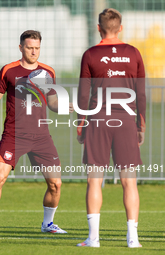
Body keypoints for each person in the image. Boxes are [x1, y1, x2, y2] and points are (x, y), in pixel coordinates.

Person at [0, 30, 73, 235]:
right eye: (30, 47)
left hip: (41, 137)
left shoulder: (48, 72)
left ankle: (48, 223)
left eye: (37, 48)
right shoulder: (9, 70)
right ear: (20, 47)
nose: (34, 51)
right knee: (0, 176)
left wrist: (63, 106)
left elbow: (53, 102)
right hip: (14, 135)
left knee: (56, 183)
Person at [76, 8, 146, 248]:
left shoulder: (90, 54)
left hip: (98, 120)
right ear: (121, 28)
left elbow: (84, 93)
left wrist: (80, 123)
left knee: (95, 180)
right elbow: (141, 93)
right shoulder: (134, 53)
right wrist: (141, 124)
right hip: (126, 121)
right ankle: (132, 239)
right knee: (129, 182)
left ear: (98, 28)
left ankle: (93, 238)